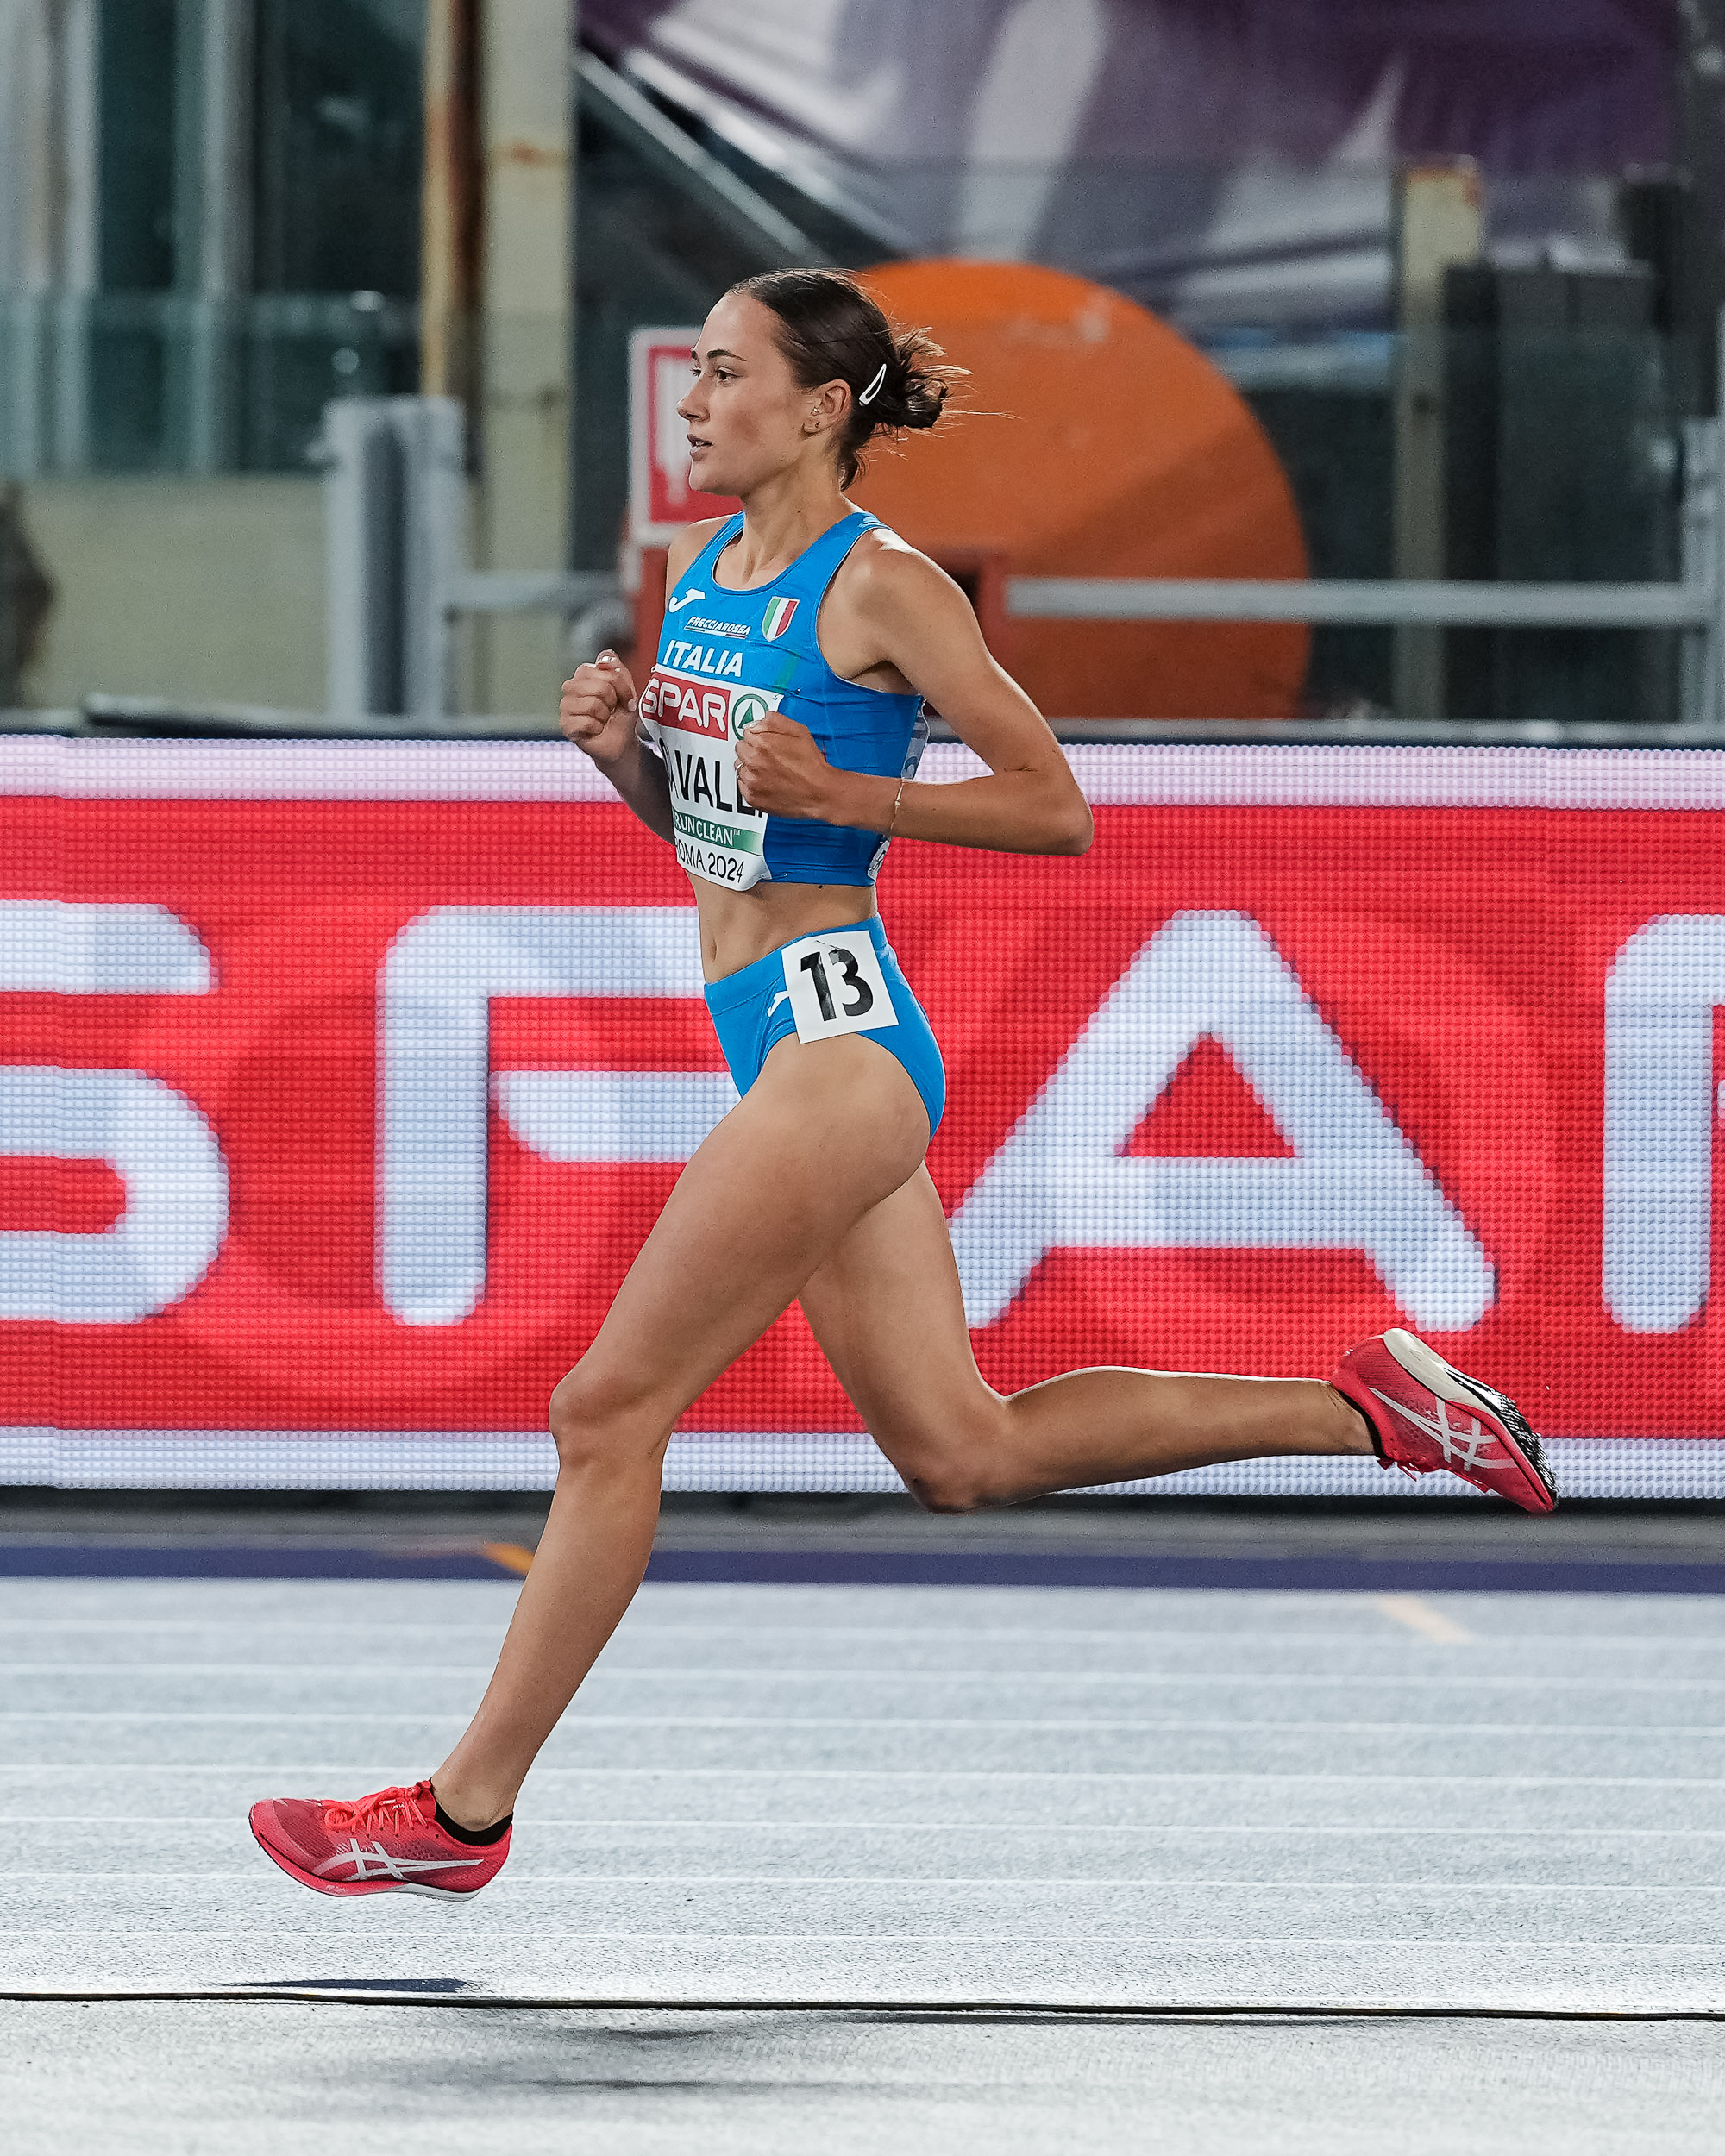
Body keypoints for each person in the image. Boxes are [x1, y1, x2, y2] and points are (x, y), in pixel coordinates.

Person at [250, 269, 1555, 1901]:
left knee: (604, 1413)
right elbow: (727, 845)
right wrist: (628, 763)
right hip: (780, 1029)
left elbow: (1057, 807)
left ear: (819, 409)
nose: (692, 403)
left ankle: (460, 1818)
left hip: (842, 1052)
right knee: (962, 1451)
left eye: (725, 374)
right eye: (694, 372)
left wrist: (855, 794)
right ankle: (1372, 1410)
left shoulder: (886, 588)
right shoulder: (701, 572)